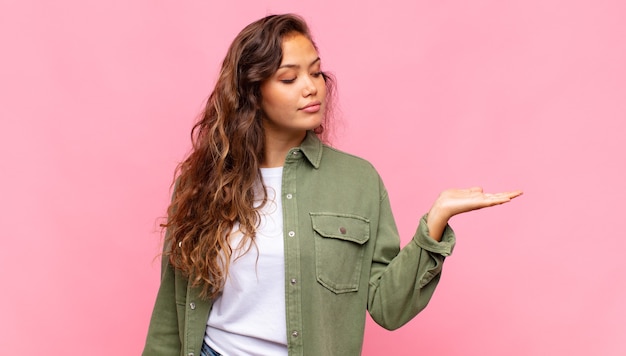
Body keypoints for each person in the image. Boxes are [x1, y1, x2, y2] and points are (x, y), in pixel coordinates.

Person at [142, 13, 522, 356]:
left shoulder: (358, 181)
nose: (311, 87)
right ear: (252, 93)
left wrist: (434, 223)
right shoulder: (202, 184)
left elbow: (388, 307)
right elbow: (169, 316)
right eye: (289, 78)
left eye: (317, 72)